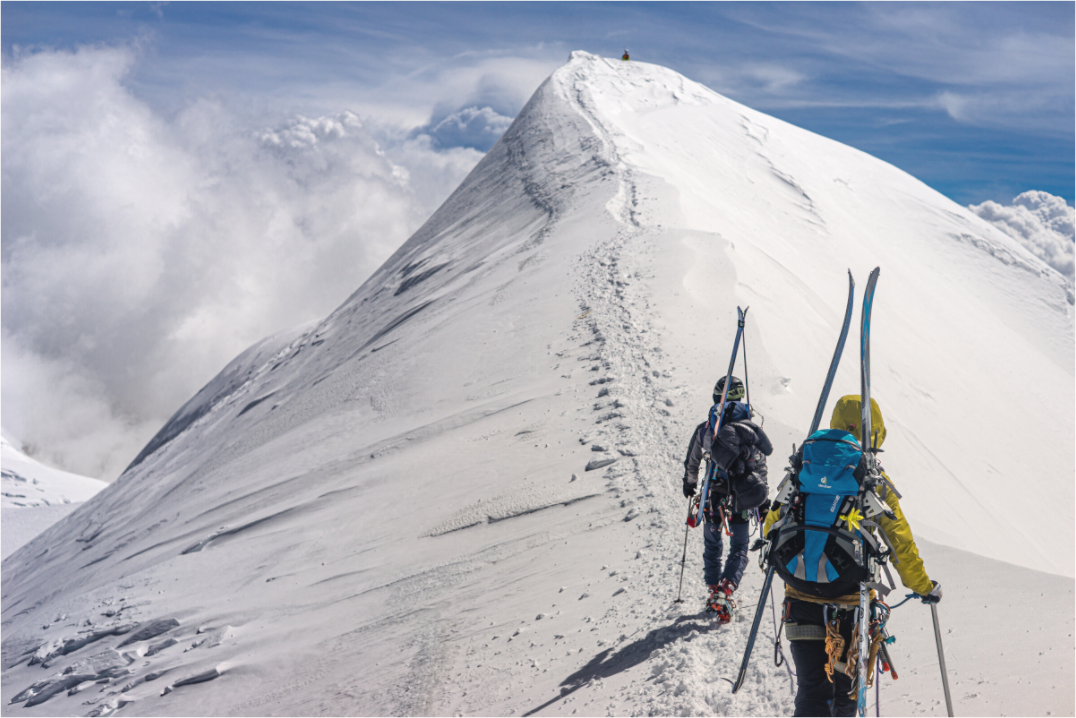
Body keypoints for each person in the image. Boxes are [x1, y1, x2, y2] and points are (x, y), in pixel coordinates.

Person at [764, 395, 943, 718]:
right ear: (873, 431)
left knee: (811, 692)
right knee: (845, 698)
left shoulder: (801, 467)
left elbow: (771, 523)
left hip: (799, 594)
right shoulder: (871, 478)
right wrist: (923, 586)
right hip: (849, 605)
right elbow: (898, 539)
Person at [682, 375, 774, 622]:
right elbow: (760, 466)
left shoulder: (707, 429)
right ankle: (727, 589)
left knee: (712, 544)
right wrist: (763, 499)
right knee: (740, 547)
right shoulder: (752, 431)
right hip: (743, 500)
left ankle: (713, 589)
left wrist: (690, 483)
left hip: (714, 496)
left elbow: (693, 460)